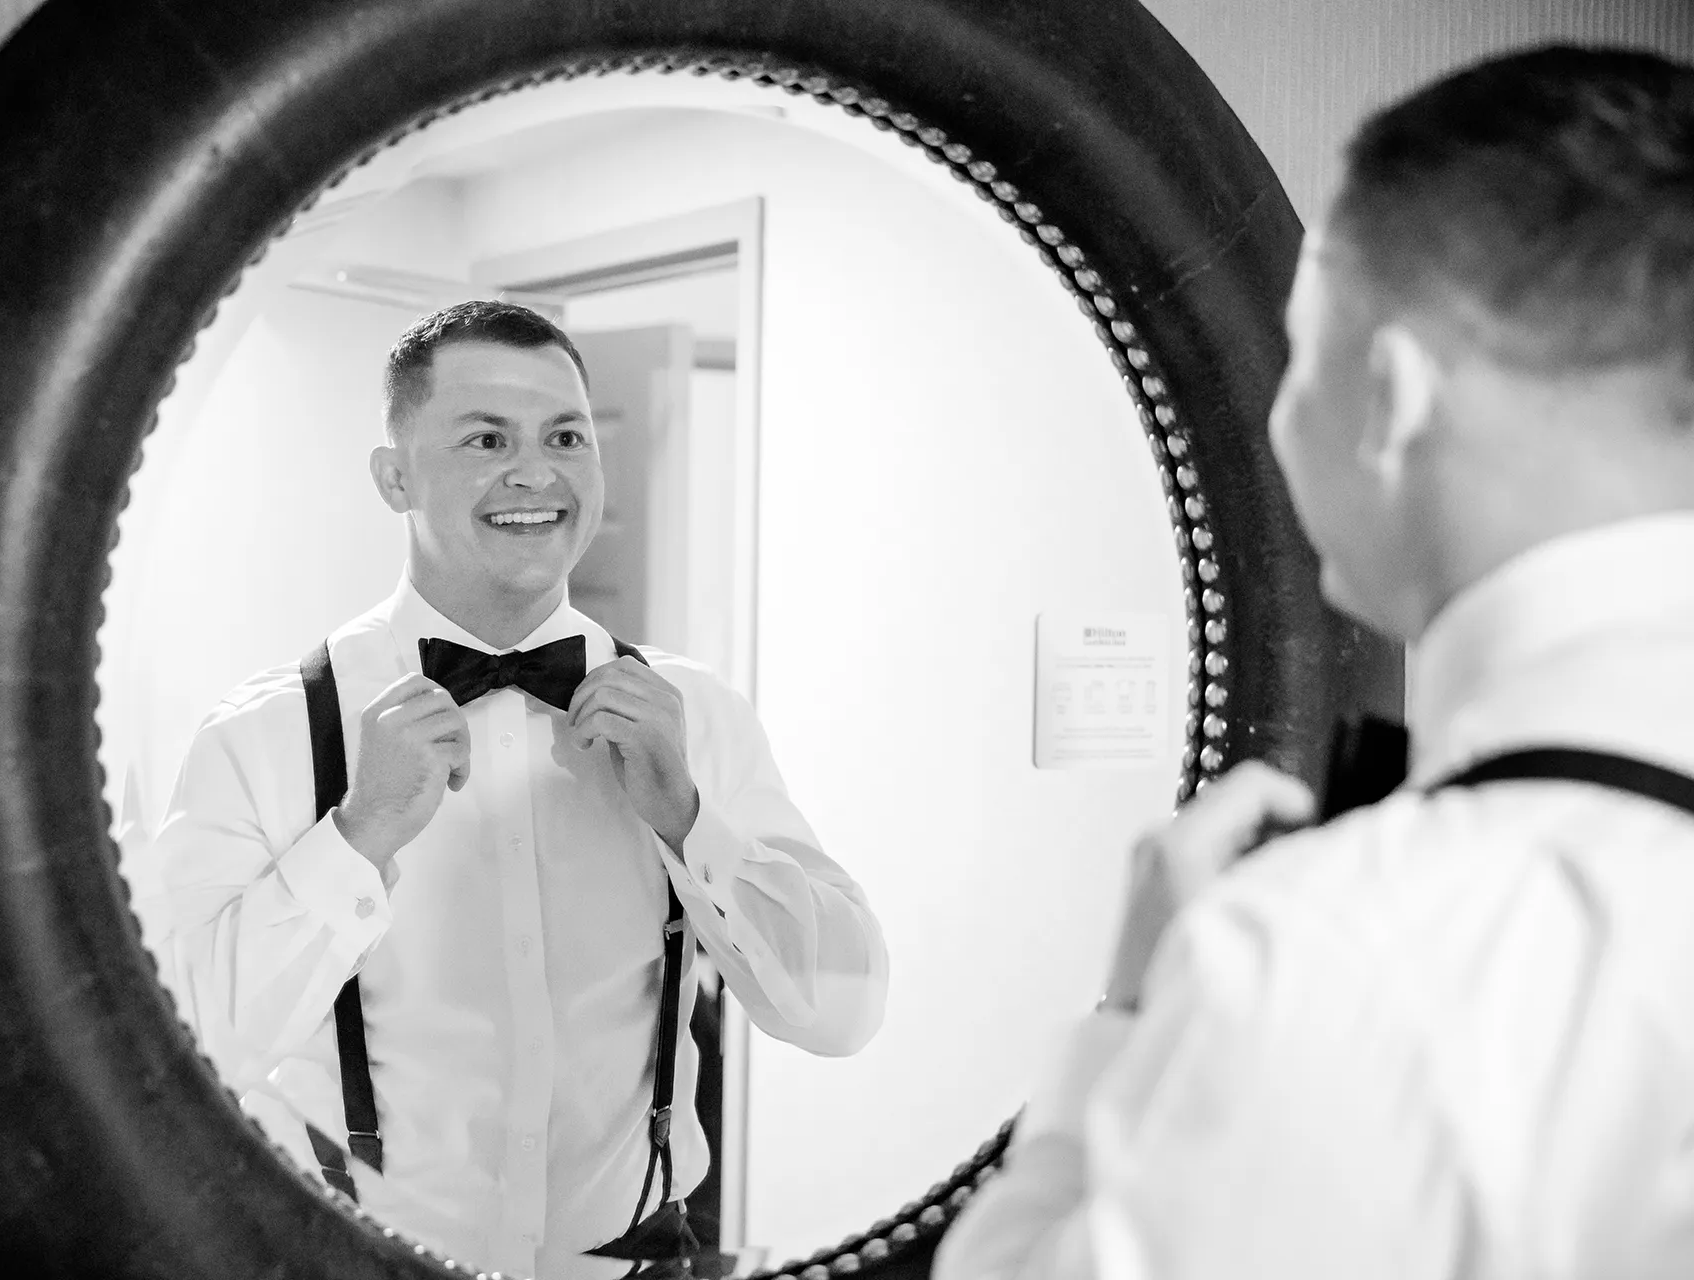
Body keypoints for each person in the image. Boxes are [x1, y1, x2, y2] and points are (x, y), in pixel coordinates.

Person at [935, 44, 1694, 1280]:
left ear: (1391, 397)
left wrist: (1133, 1013)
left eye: (1301, 357)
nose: (1285, 417)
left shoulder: (1335, 954)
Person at [154, 300, 888, 1280]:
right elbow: (181, 1056)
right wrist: (359, 834)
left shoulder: (697, 716)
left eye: (565, 436)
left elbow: (840, 1015)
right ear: (395, 477)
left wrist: (687, 817)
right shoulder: (262, 734)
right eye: (487, 438)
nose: (534, 471)